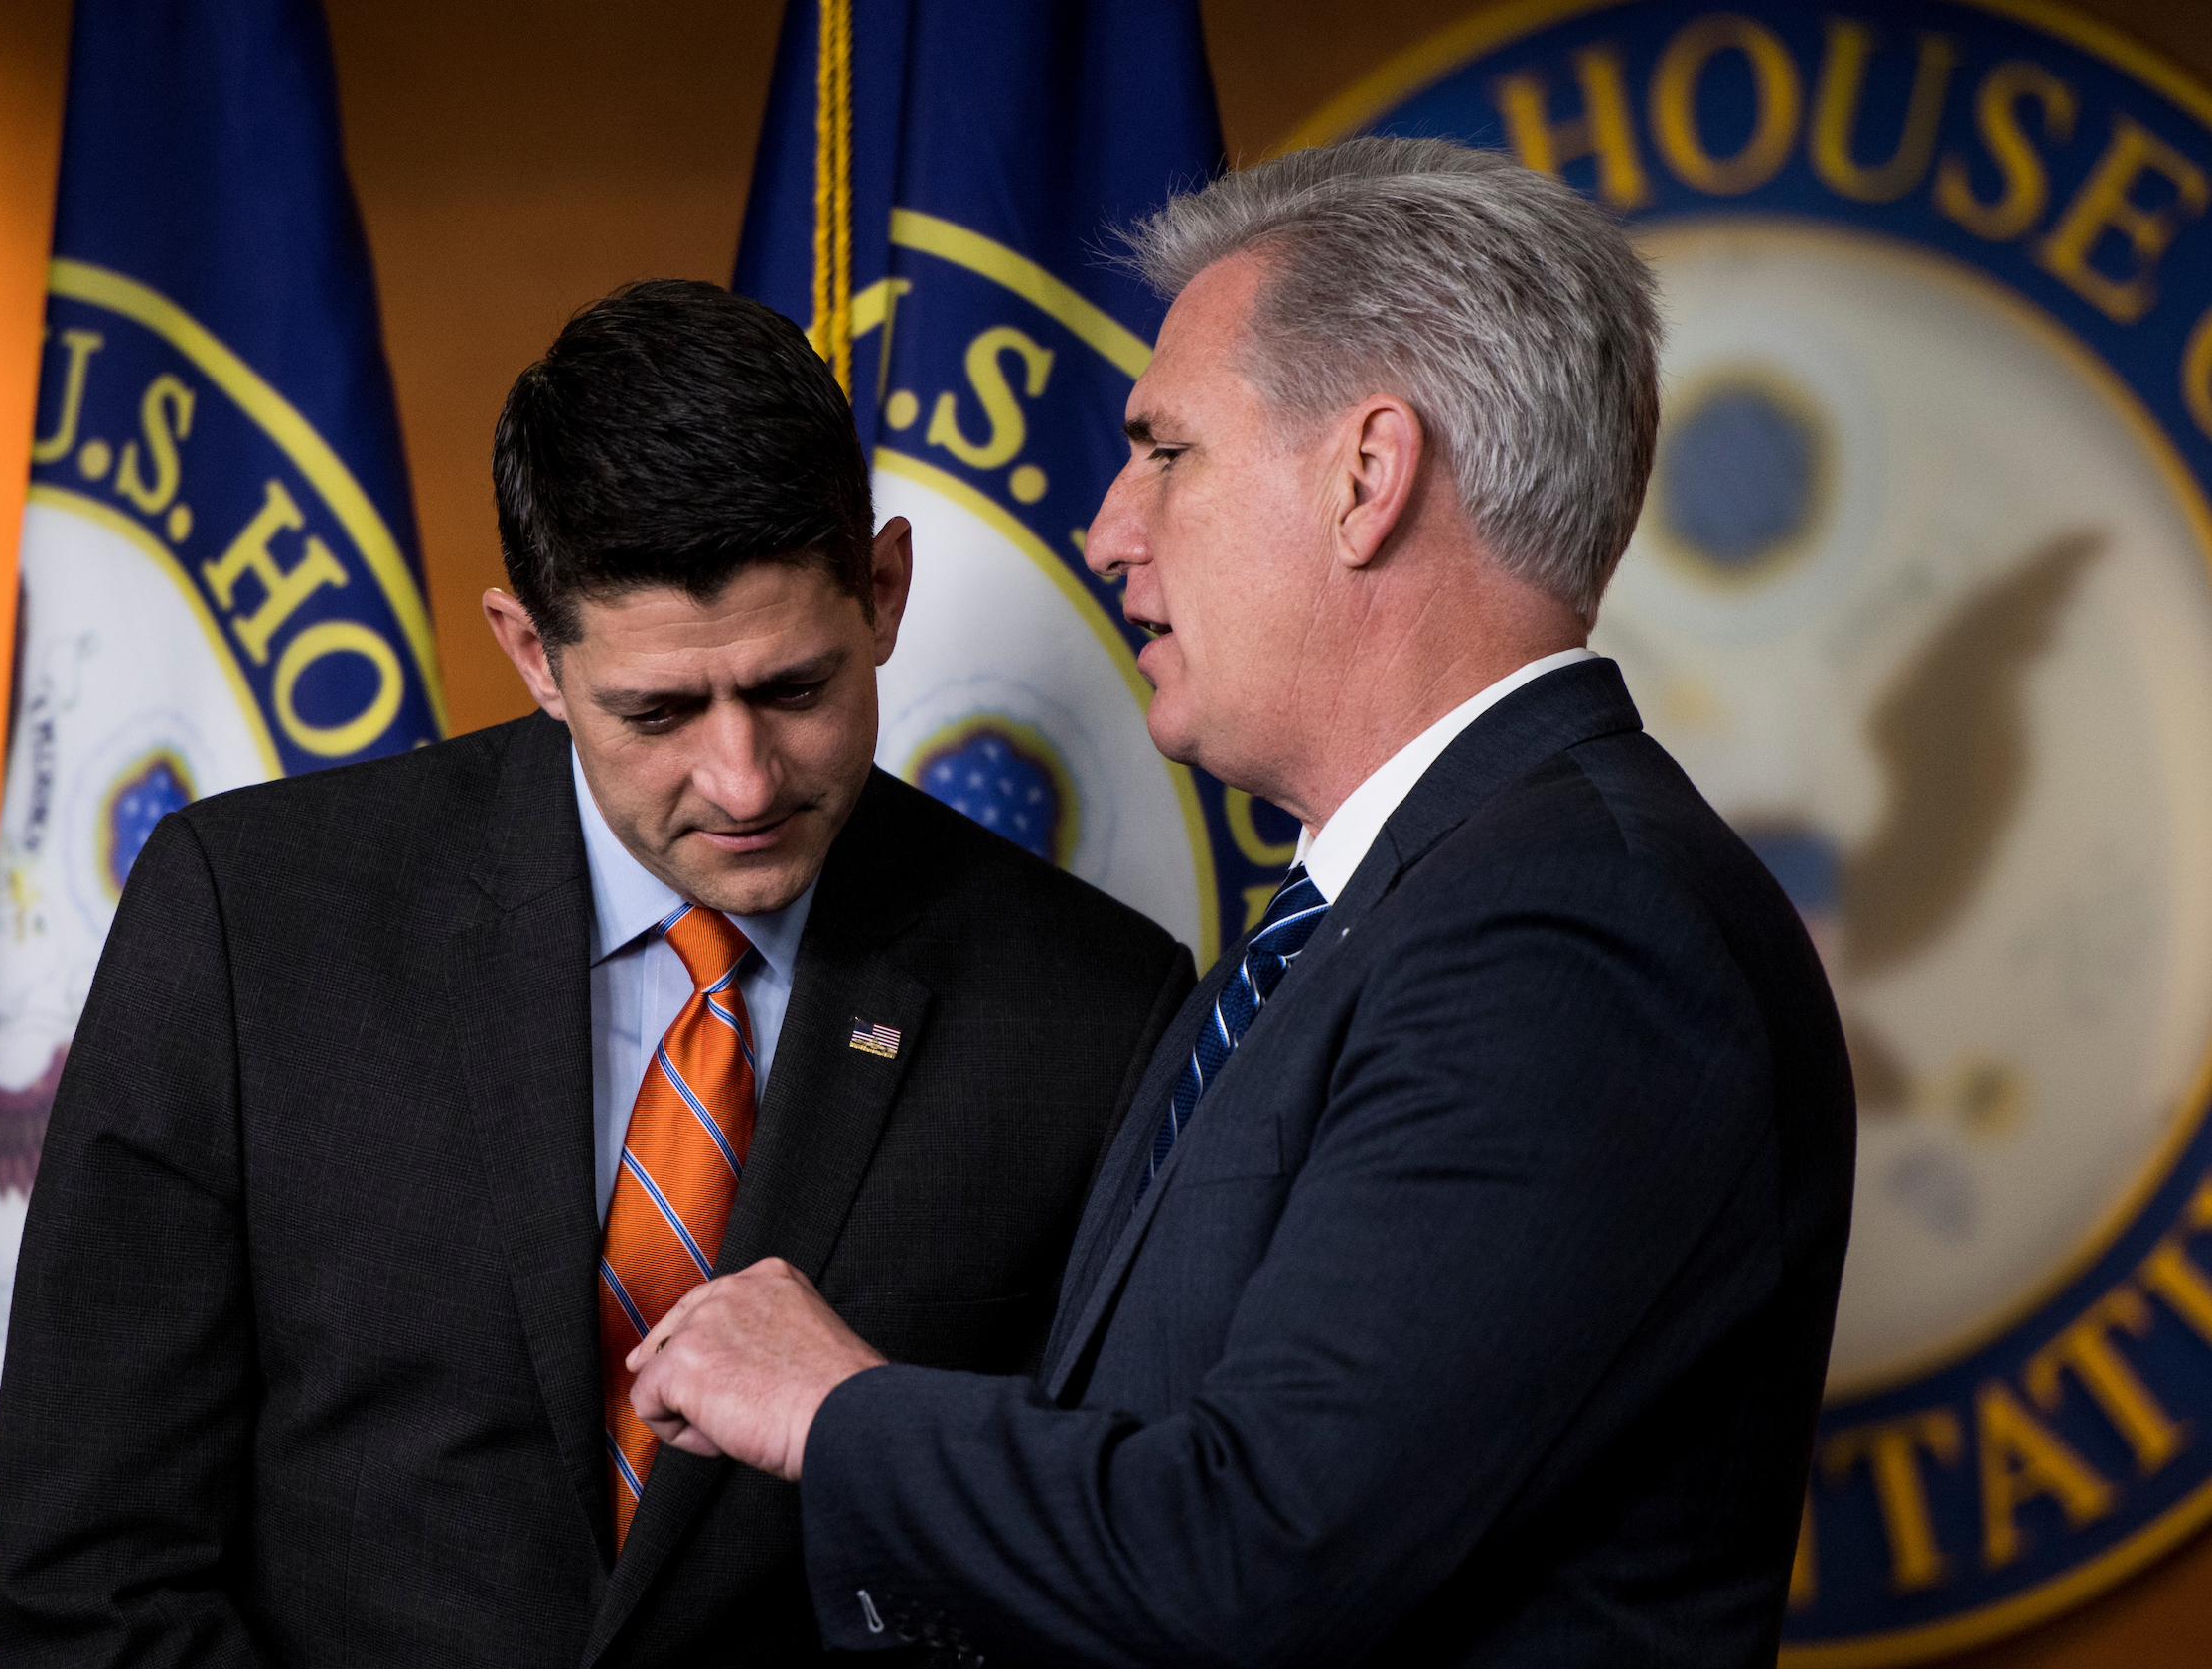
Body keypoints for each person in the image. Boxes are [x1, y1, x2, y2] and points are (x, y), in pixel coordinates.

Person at [624, 139, 1858, 1666]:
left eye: (1164, 449)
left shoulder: (1574, 937)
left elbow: (1263, 1555)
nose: (1109, 532)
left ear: (1366, 476)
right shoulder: (1368, 921)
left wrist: (836, 1411)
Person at [0, 279, 1196, 1668]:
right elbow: (91, 1573)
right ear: (533, 656)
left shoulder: (1092, 1009)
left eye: (796, 689)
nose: (743, 779)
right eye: (658, 711)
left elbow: (1096, 1568)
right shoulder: (248, 919)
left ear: (884, 592)